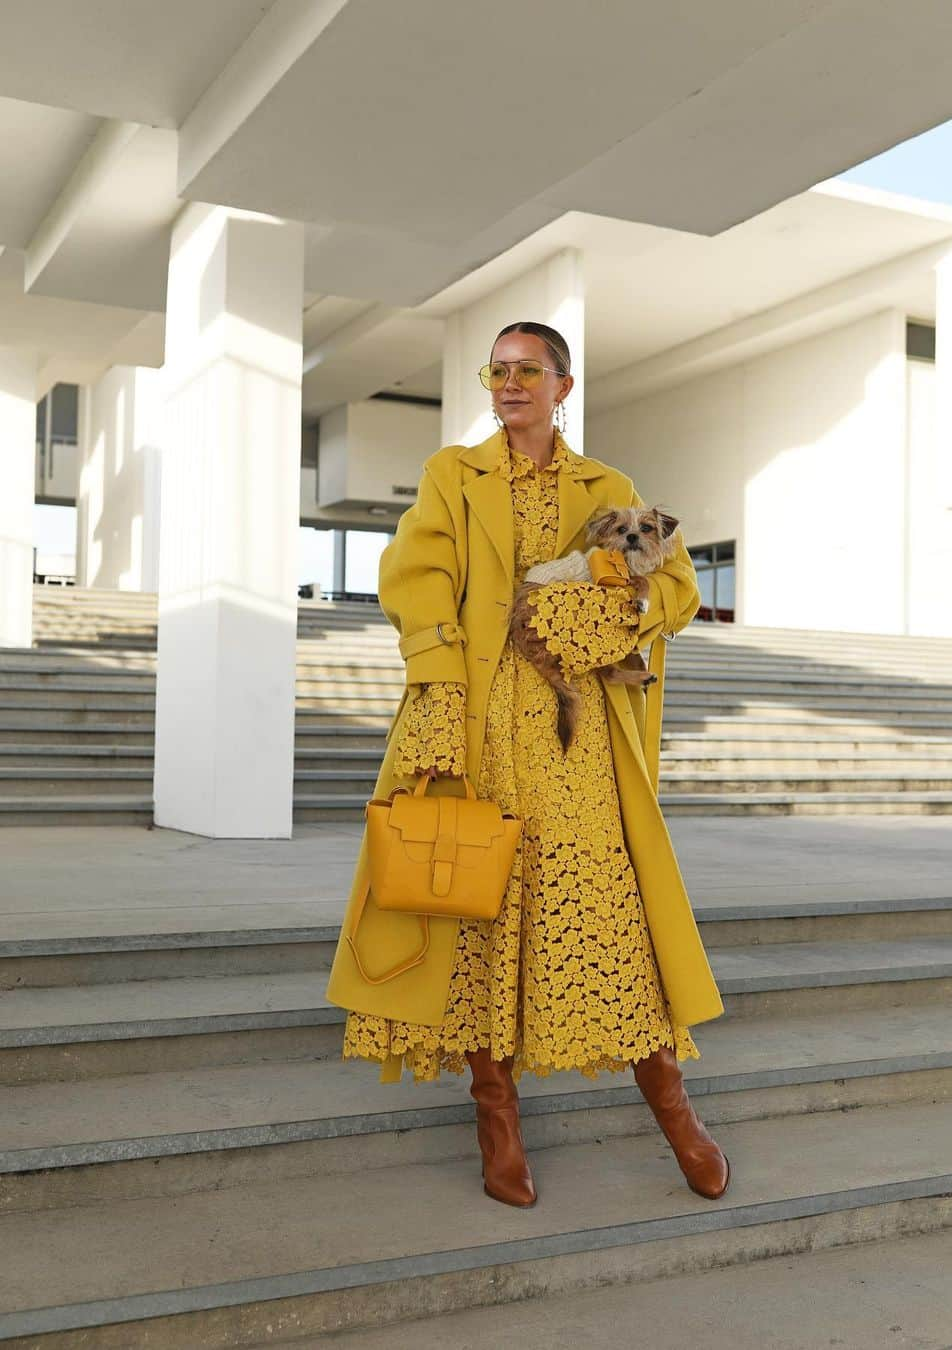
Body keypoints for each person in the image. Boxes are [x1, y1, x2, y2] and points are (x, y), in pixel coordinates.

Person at [324, 321, 730, 1207]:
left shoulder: (610, 486)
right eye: (496, 371)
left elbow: (674, 587)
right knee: (481, 915)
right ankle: (496, 1119)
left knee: (610, 918)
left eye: (527, 372)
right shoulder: (451, 474)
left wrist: (602, 603)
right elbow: (417, 575)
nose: (509, 385)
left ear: (563, 387)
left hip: (579, 739)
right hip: (478, 722)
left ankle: (676, 1114)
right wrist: (434, 688)